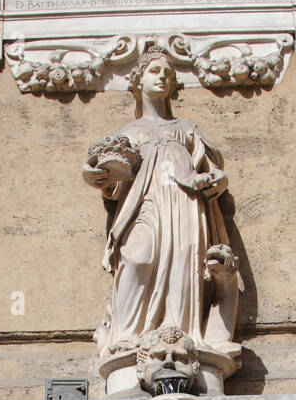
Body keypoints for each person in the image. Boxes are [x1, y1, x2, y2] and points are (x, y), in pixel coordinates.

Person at [84, 45, 239, 375]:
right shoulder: (130, 132)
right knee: (138, 257)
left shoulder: (185, 129)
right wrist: (100, 178)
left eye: (169, 74)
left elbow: (211, 168)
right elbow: (114, 179)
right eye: (156, 72)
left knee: (184, 262)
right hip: (144, 206)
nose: (163, 78)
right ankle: (126, 337)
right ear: (139, 80)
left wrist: (219, 180)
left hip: (185, 207)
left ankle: (182, 335)